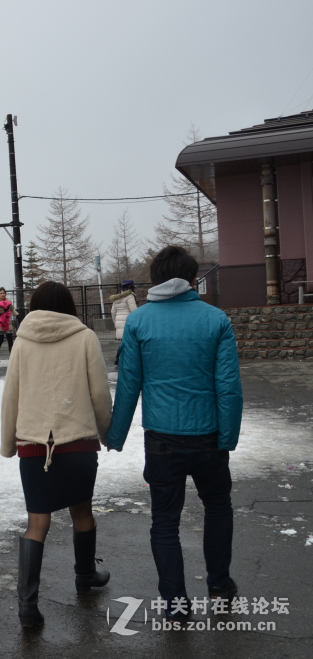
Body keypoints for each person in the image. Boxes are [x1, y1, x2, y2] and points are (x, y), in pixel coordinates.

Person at [106, 246, 242, 621]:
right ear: (191, 277)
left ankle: (174, 604)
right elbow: (228, 386)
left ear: (157, 277)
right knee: (217, 506)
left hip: (162, 439)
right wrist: (227, 437)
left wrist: (115, 435)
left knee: (164, 520)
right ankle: (219, 586)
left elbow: (129, 384)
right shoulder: (216, 320)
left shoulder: (139, 322)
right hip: (210, 436)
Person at [1, 281, 113, 628]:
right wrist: (108, 434)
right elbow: (98, 392)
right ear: (68, 305)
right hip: (77, 441)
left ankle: (27, 605)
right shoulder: (84, 337)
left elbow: (12, 396)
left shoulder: (22, 341)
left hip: (34, 444)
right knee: (82, 512)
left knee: (37, 521)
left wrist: (9, 444)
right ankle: (85, 575)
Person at [110, 279, 137, 367]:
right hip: (128, 322)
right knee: (129, 342)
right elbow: (134, 311)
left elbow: (113, 312)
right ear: (130, 287)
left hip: (119, 322)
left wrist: (116, 322)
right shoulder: (130, 296)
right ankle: (119, 359)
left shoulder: (116, 298)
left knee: (124, 342)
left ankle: (118, 359)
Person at [0, 287, 17, 361]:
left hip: (7, 322)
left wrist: (17, 315)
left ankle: (12, 356)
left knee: (10, 340)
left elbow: (12, 309)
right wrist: (4, 309)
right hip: (0, 323)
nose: (2, 294)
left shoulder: (8, 301)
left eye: (3, 293)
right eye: (1, 293)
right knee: (0, 340)